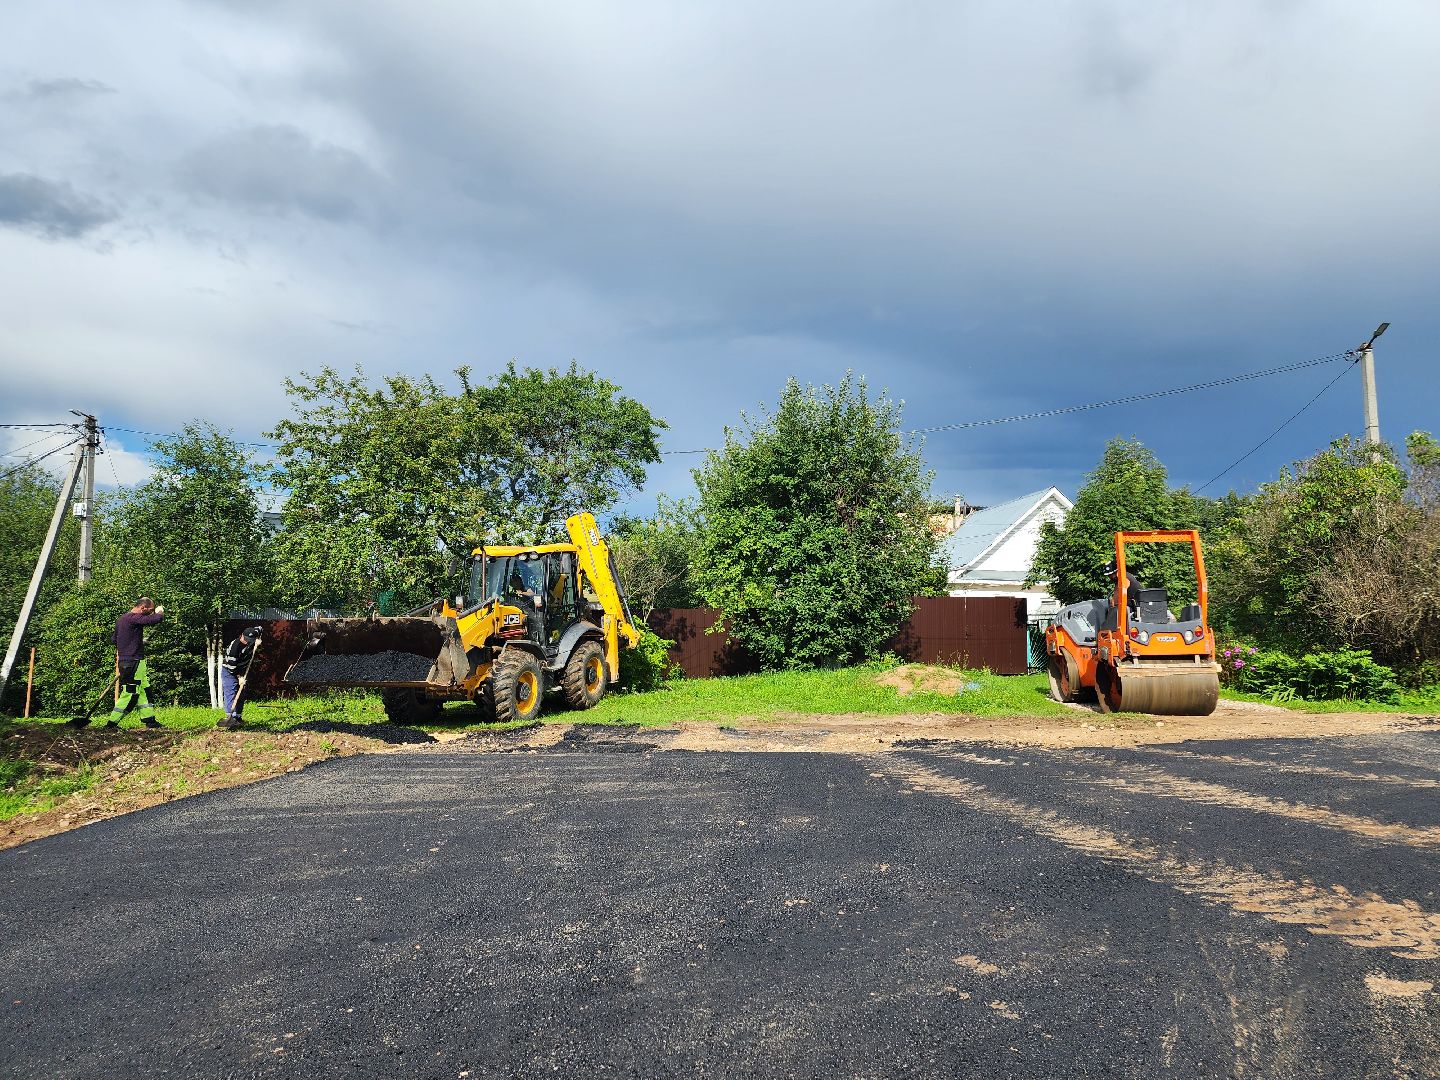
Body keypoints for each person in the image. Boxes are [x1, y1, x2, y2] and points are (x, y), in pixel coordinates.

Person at [105, 597, 165, 729]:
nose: (150, 613)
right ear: (142, 607)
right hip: (133, 662)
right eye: (150, 610)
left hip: (132, 661)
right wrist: (159, 613)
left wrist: (137, 642)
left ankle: (150, 720)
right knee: (131, 692)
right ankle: (112, 723)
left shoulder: (122, 620)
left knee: (144, 689)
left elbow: (115, 639)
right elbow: (154, 620)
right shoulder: (133, 617)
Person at [219, 626, 263, 730]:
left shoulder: (254, 634)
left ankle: (238, 717)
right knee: (231, 692)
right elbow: (232, 667)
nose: (248, 642)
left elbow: (260, 628)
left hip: (242, 669)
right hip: (229, 671)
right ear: (242, 636)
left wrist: (258, 640)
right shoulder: (235, 647)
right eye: (247, 640)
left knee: (241, 692)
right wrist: (239, 678)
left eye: (250, 641)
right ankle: (230, 718)